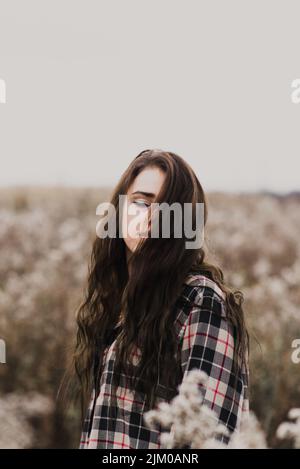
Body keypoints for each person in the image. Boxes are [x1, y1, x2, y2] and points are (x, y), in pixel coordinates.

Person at [59, 149, 250, 449]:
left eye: (166, 208)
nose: (150, 217)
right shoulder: (121, 301)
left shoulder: (201, 302)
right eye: (140, 202)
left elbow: (211, 438)